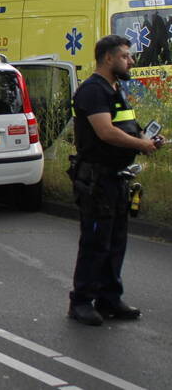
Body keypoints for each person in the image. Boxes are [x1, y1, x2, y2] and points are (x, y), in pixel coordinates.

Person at [67, 35, 160, 326]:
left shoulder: (115, 88)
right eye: (125, 56)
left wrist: (146, 137)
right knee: (96, 242)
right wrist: (140, 145)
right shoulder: (93, 90)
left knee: (115, 241)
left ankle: (109, 297)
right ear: (108, 58)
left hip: (116, 179)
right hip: (97, 180)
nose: (130, 61)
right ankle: (81, 301)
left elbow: (127, 124)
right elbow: (105, 132)